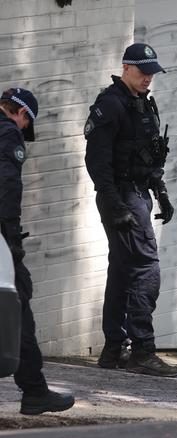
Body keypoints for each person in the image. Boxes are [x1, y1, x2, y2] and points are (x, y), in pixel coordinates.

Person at [84, 43, 177, 377]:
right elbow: (96, 162)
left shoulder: (142, 104)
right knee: (145, 268)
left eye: (152, 72)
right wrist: (115, 204)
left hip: (138, 194)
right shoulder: (110, 105)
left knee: (124, 269)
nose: (148, 78)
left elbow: (150, 155)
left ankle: (113, 350)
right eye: (142, 72)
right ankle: (142, 351)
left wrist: (162, 192)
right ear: (126, 68)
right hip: (122, 196)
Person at [0, 87, 75, 414]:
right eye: (26, 123)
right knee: (21, 305)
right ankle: (34, 391)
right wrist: (12, 242)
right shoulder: (8, 135)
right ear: (22, 115)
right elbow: (7, 189)